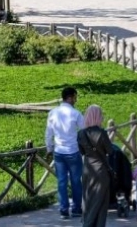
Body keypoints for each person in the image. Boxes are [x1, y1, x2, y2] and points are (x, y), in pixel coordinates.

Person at [46, 87, 85, 219]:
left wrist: (49, 148)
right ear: (70, 97)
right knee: (76, 181)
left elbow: (48, 133)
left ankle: (63, 209)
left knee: (61, 182)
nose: (76, 100)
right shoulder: (76, 113)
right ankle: (77, 208)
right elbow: (84, 130)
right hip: (73, 151)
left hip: (58, 152)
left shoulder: (53, 113)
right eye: (75, 97)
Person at [77, 105, 112, 227]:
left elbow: (82, 152)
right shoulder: (102, 133)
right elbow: (110, 151)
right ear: (98, 116)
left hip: (87, 171)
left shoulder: (81, 134)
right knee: (101, 202)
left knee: (87, 200)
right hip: (101, 171)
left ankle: (87, 222)